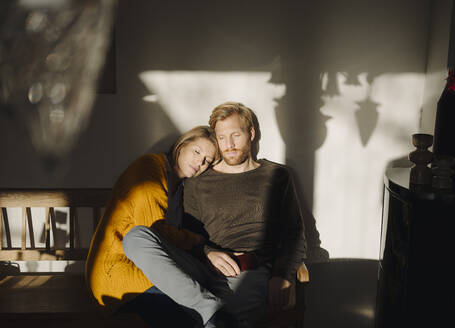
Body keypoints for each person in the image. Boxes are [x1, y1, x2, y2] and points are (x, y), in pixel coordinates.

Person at [122, 102, 307, 327]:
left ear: (251, 133)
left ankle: (215, 317)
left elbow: (295, 233)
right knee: (136, 237)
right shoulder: (199, 180)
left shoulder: (276, 175)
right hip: (199, 267)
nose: (228, 145)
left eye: (235, 135)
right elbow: (187, 234)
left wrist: (283, 274)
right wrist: (209, 252)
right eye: (221, 138)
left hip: (244, 272)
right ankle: (213, 313)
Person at [85, 126, 218, 316]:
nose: (200, 162)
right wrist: (195, 240)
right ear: (182, 145)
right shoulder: (149, 167)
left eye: (207, 161)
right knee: (188, 315)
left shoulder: (180, 188)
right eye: (197, 151)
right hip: (117, 272)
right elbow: (154, 232)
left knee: (204, 298)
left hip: (154, 270)